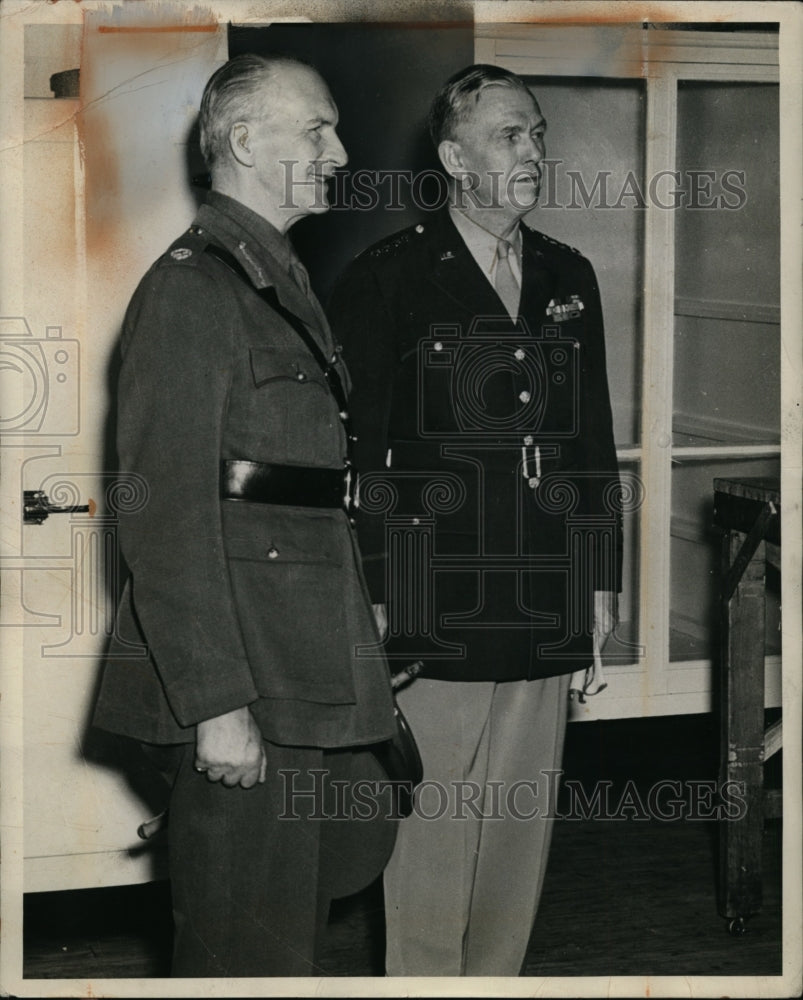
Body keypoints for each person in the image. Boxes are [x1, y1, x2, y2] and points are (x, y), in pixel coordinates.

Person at [92, 54, 399, 977]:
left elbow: (299, 499)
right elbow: (165, 520)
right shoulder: (192, 289)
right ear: (244, 141)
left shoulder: (274, 277)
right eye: (317, 129)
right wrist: (217, 705)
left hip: (300, 665)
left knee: (287, 931)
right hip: (247, 683)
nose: (339, 153)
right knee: (242, 947)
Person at [328, 64, 623, 976]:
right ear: (455, 160)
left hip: (545, 589)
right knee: (432, 820)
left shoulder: (568, 275)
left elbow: (591, 441)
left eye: (536, 134)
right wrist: (376, 590)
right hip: (435, 595)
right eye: (508, 136)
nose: (532, 151)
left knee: (517, 823)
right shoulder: (388, 277)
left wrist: (599, 578)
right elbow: (358, 453)